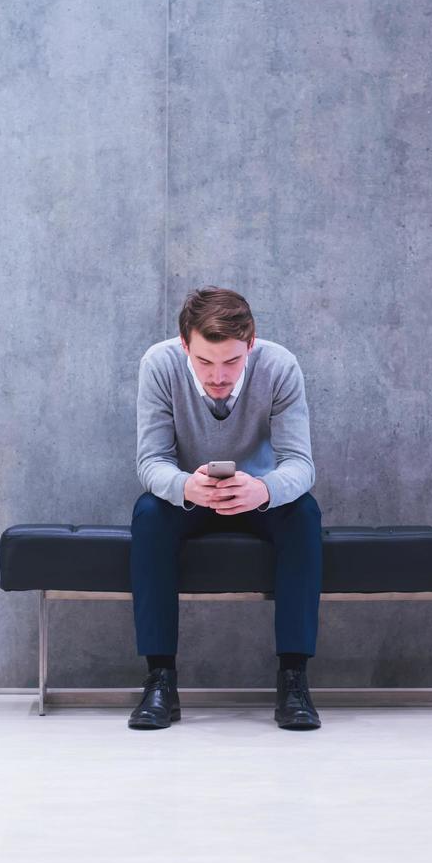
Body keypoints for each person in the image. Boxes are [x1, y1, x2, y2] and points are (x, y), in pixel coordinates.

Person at [129, 286, 323, 731]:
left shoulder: (279, 365)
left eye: (232, 362)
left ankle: (294, 679)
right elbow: (150, 461)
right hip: (189, 493)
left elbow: (300, 464)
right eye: (205, 362)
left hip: (257, 492)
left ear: (250, 344)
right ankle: (160, 679)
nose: (219, 376)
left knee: (304, 515)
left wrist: (264, 489)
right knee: (149, 515)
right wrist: (185, 486)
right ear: (185, 346)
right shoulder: (159, 364)